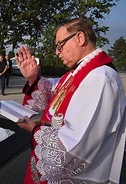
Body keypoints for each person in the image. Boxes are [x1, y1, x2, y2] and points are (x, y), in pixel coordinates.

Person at [16, 18, 126, 184]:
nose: (57, 52)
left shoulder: (99, 78)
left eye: (60, 45)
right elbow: (54, 92)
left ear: (80, 38)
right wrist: (33, 78)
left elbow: (77, 143)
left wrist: (35, 130)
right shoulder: (77, 72)